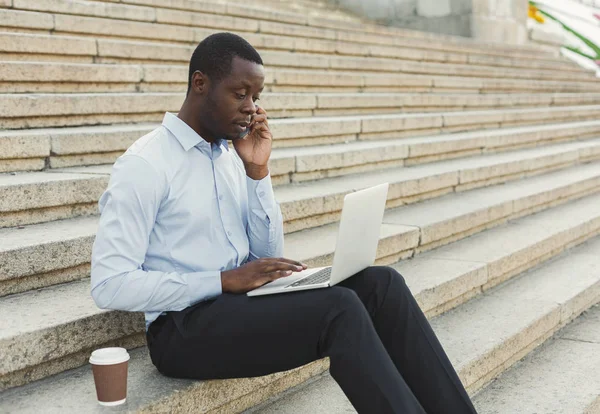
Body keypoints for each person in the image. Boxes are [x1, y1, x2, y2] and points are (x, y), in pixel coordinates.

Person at [90, 32, 477, 414]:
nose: (251, 108)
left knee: (383, 285)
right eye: (240, 94)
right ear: (200, 84)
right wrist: (222, 281)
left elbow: (266, 257)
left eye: (255, 97)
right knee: (339, 310)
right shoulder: (146, 164)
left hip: (239, 306)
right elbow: (109, 284)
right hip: (182, 330)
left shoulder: (230, 157)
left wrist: (257, 171)